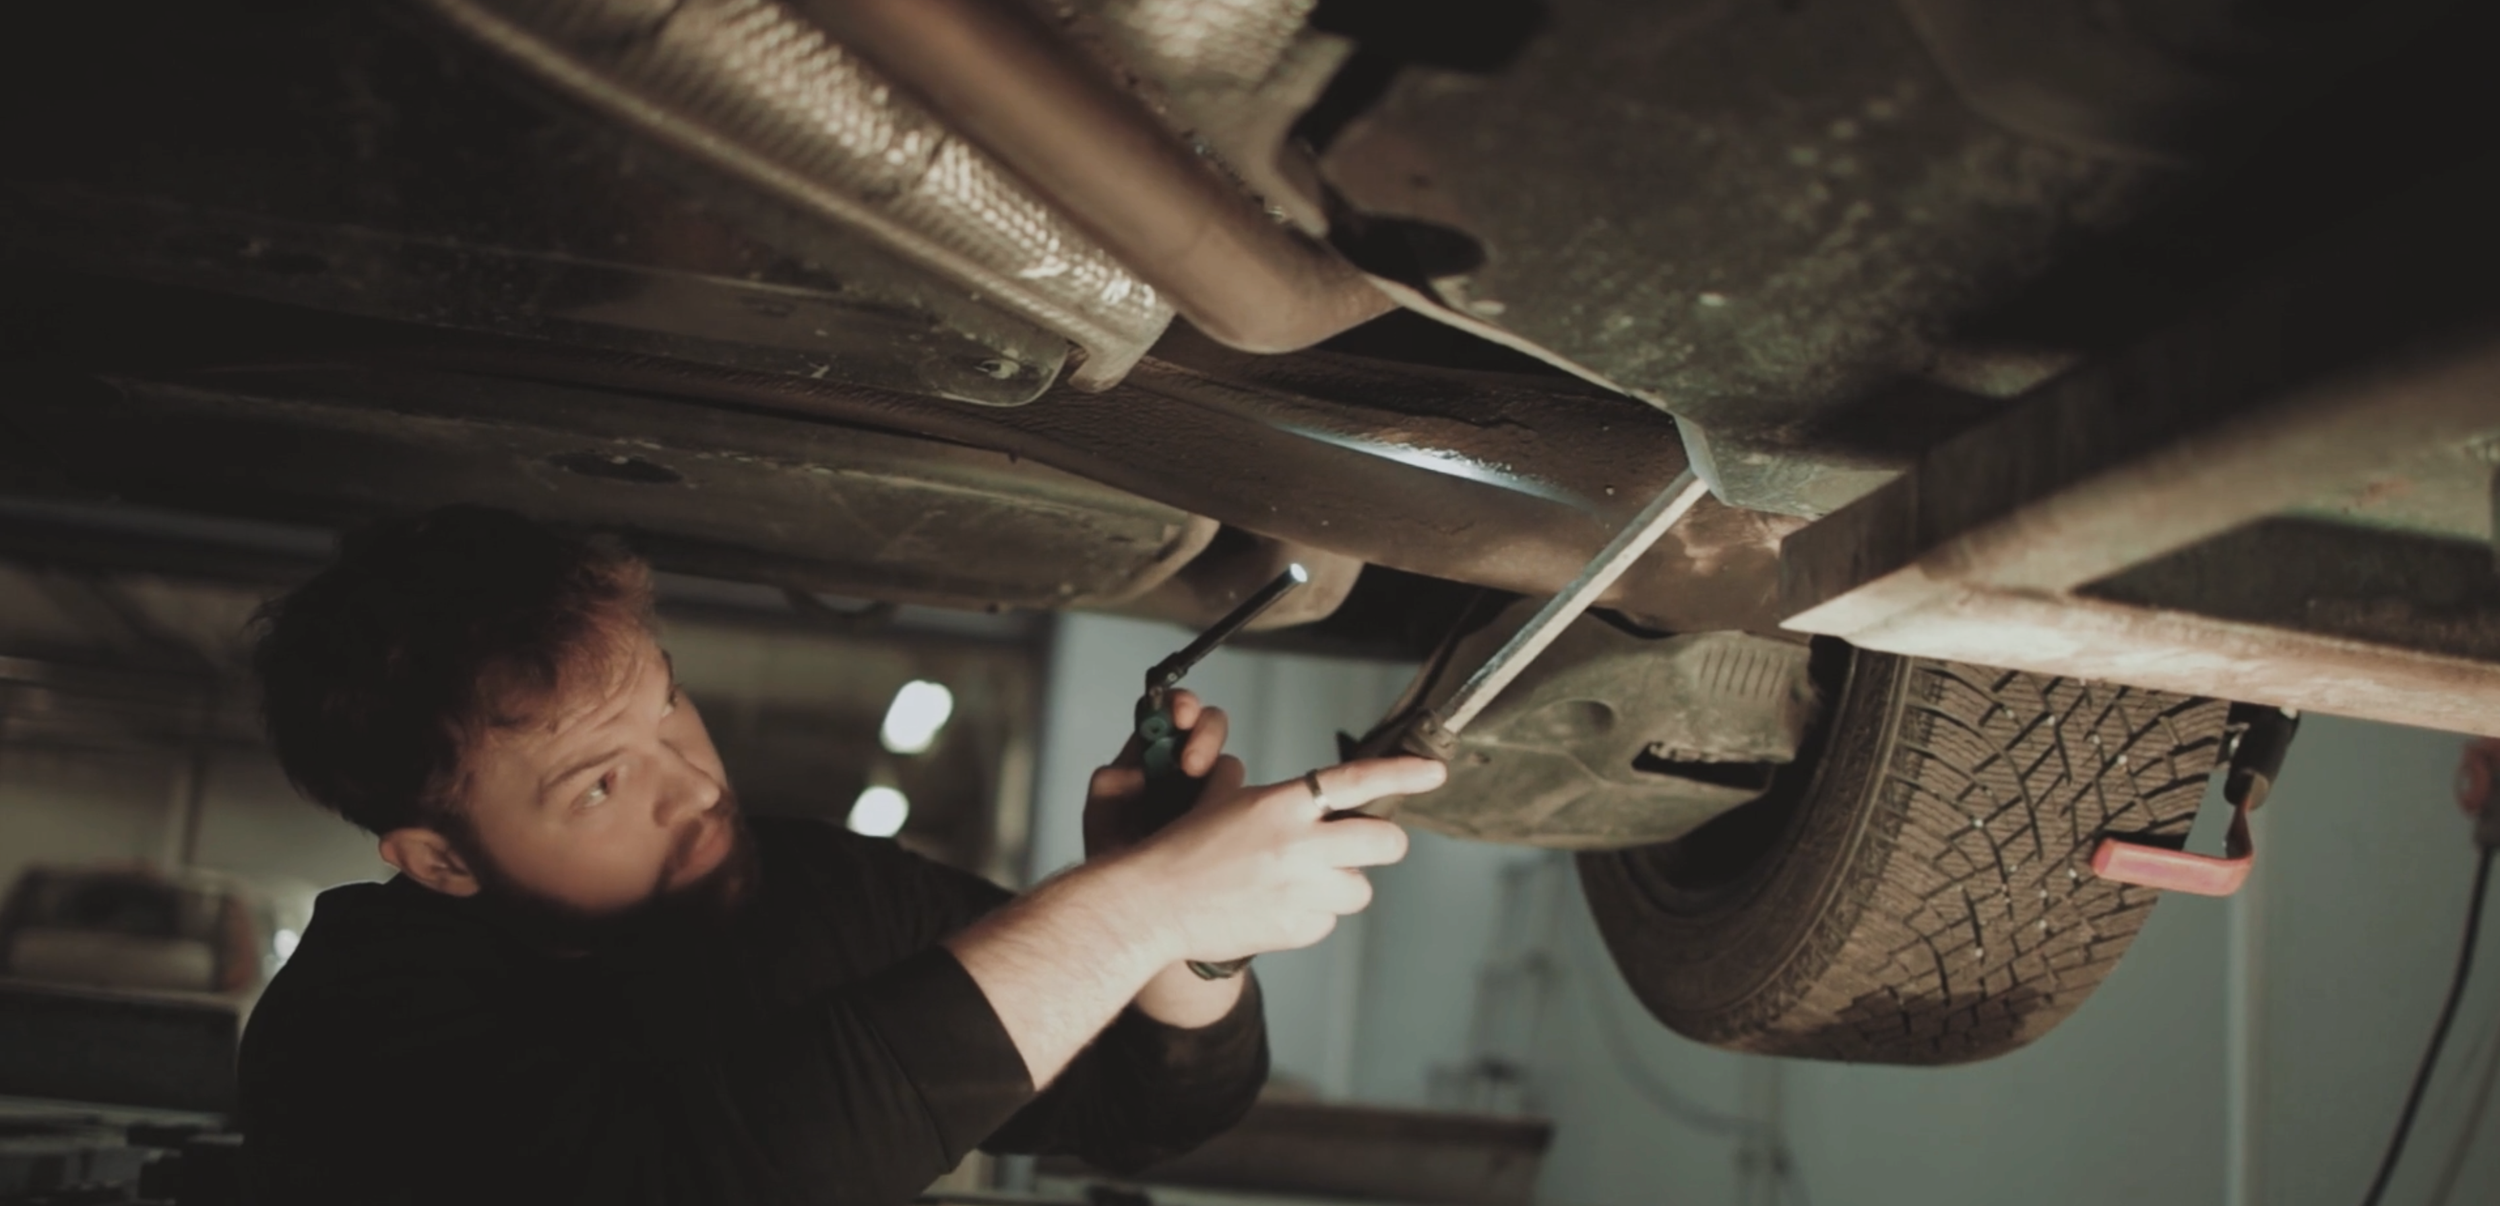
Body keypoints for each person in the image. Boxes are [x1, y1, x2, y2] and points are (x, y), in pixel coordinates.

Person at [236, 506, 1438, 1205]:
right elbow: (694, 1181)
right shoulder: (355, 1023)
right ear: (439, 862)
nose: (695, 784)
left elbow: (1142, 1104)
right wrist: (1133, 910)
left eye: (669, 707)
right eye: (601, 782)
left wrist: (1192, 944)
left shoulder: (808, 890)